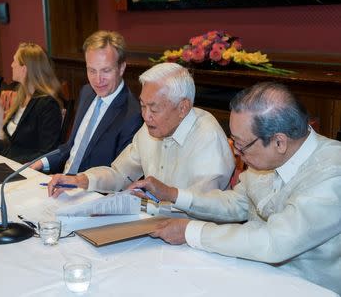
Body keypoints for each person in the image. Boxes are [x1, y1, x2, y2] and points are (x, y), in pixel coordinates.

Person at [142, 82, 341, 294]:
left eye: (240, 144)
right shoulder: (268, 157)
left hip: (308, 286)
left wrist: (191, 231)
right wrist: (173, 194)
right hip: (255, 272)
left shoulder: (332, 173)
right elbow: (236, 202)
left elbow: (274, 241)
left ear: (279, 142)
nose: (236, 153)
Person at [47, 63, 235, 205]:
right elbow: (119, 174)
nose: (145, 116)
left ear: (183, 107)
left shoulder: (207, 136)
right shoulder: (149, 129)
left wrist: (155, 200)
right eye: (143, 106)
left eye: (154, 108)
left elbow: (205, 206)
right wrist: (80, 180)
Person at [30, 30, 143, 174]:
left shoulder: (133, 115)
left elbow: (119, 176)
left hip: (92, 191)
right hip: (62, 181)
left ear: (121, 68)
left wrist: (75, 183)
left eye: (106, 70)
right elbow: (73, 146)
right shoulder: (87, 92)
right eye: (91, 70)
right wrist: (41, 162)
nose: (97, 79)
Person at [0, 43, 63, 164]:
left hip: (27, 171)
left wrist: (13, 164)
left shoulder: (47, 105)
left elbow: (47, 153)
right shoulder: (22, 98)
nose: (11, 65)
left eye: (14, 61)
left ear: (24, 69)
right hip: (10, 164)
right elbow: (13, 144)